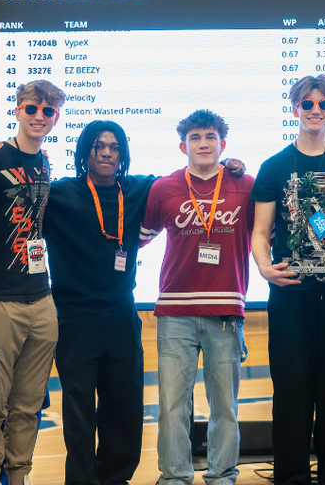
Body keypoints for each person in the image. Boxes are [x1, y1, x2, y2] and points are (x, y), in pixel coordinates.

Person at [43, 120, 244, 485]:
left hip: (121, 314)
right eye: (98, 146)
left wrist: (231, 167)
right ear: (84, 150)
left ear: (123, 153)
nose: (106, 152)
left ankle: (116, 478)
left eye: (114, 146)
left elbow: (190, 179)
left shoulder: (140, 189)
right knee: (79, 412)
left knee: (124, 407)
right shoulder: (59, 194)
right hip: (74, 318)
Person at [250, 75, 325, 485]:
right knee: (291, 391)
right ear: (295, 108)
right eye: (307, 103)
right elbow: (260, 232)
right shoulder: (274, 166)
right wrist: (265, 268)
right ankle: (291, 477)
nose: (315, 110)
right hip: (291, 295)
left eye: (323, 103)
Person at [139, 109, 254, 485]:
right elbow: (139, 239)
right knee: (172, 406)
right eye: (195, 138)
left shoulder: (246, 185)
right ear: (182, 145)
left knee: (226, 407)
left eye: (209, 137)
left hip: (225, 311)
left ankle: (223, 476)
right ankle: (174, 478)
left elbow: (266, 234)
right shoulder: (164, 189)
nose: (203, 144)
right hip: (175, 311)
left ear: (222, 144)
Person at [0, 80, 64, 485]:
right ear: (17, 110)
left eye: (48, 111)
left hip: (41, 297)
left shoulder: (45, 163)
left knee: (28, 404)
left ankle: (19, 474)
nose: (39, 117)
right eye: (32, 109)